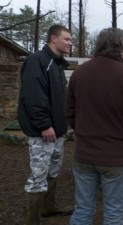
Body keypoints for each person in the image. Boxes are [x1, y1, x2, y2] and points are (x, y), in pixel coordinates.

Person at [65, 27, 123, 225]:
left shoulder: (80, 73)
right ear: (120, 48)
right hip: (115, 159)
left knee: (82, 211)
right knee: (113, 214)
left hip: (85, 154)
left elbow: (69, 112)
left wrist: (84, 134)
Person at [17, 24, 73, 225]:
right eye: (66, 39)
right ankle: (32, 220)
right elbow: (33, 97)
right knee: (38, 175)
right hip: (43, 132)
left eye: (70, 39)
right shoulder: (37, 61)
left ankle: (48, 208)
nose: (70, 43)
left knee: (53, 171)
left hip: (57, 132)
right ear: (53, 38)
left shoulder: (57, 64)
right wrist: (44, 125)